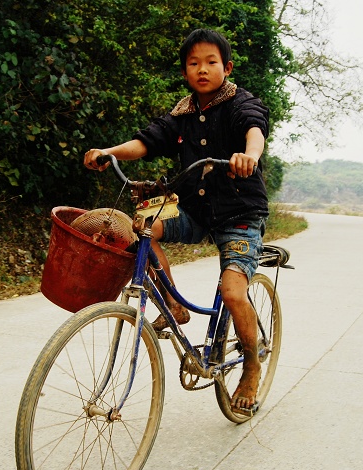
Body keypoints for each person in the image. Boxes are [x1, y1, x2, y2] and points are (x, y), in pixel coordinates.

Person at [84, 28, 269, 411]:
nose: (202, 69)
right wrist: (109, 151)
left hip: (238, 213)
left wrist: (248, 155)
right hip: (194, 209)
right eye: (193, 63)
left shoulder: (239, 104)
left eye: (211, 62)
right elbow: (146, 142)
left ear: (227, 67)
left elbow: (255, 129)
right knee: (142, 225)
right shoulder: (181, 114)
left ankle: (251, 367)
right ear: (185, 71)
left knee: (233, 292)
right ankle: (174, 305)